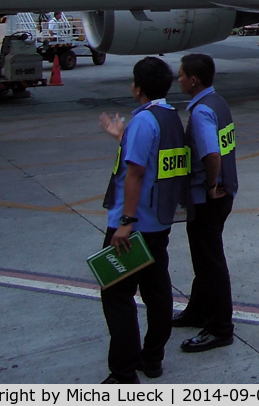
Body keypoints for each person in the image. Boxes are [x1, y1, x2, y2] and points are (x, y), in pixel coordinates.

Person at [96, 57, 191, 383]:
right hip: (159, 222)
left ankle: (123, 371)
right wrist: (121, 136)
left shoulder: (144, 121)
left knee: (116, 294)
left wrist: (125, 222)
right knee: (157, 292)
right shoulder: (169, 118)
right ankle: (152, 359)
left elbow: (135, 172)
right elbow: (149, 158)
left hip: (134, 225)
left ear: (138, 87)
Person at [172, 52, 238, 353]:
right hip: (227, 192)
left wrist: (210, 185)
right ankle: (197, 310)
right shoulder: (218, 102)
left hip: (209, 197)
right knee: (204, 256)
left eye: (182, 74)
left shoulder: (200, 113)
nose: (179, 78)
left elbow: (212, 154)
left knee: (209, 262)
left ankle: (220, 327)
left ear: (193, 80)